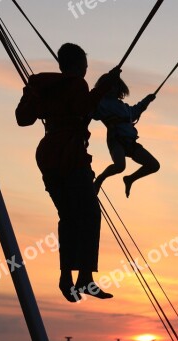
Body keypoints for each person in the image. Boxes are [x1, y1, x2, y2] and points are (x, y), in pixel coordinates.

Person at [15, 43, 121, 302]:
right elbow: (83, 108)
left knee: (68, 216)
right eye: (85, 65)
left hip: (48, 155)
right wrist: (103, 87)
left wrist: (32, 93)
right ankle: (84, 277)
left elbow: (23, 118)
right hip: (70, 155)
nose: (86, 70)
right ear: (79, 65)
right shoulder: (76, 85)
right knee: (89, 213)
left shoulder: (42, 86)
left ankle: (66, 277)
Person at [92, 76, 160, 198]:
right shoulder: (101, 103)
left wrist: (147, 100)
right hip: (116, 140)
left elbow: (136, 110)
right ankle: (101, 178)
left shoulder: (124, 108)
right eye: (110, 86)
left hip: (131, 142)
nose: (113, 89)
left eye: (115, 86)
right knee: (119, 166)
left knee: (154, 165)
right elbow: (91, 110)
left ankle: (130, 179)